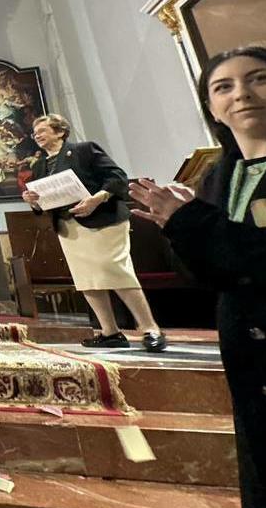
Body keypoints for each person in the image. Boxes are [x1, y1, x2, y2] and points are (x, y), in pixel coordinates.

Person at [129, 45, 266, 508]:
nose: (242, 94)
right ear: (210, 106)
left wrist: (192, 223)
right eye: (223, 87)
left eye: (258, 79)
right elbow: (213, 269)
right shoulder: (221, 176)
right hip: (255, 364)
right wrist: (180, 224)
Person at [22, 114, 166, 351]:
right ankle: (110, 332)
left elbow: (116, 177)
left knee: (116, 271)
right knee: (87, 279)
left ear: (60, 131)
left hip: (102, 220)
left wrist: (96, 199)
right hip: (70, 226)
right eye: (35, 133)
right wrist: (33, 201)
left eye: (43, 130)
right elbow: (43, 201)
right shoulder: (39, 166)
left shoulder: (83, 150)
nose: (37, 135)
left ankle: (150, 328)